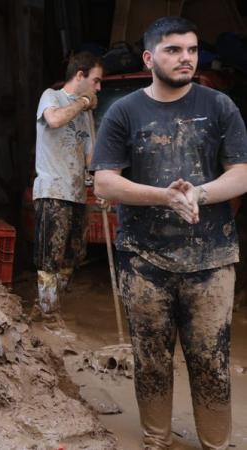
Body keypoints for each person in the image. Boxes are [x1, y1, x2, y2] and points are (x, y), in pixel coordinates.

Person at [92, 16, 247, 450]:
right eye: (174, 50)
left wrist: (198, 191)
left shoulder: (220, 106)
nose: (186, 59)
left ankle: (215, 443)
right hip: (144, 260)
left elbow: (242, 174)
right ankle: (155, 440)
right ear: (149, 57)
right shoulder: (124, 112)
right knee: (151, 360)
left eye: (192, 50)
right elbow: (105, 182)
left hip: (212, 260)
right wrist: (164, 196)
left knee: (211, 361)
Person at [32, 51, 103, 326]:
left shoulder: (86, 116)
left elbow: (89, 157)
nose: (98, 88)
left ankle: (50, 306)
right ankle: (49, 317)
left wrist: (100, 184)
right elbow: (55, 120)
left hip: (76, 193)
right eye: (96, 81)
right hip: (52, 190)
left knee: (73, 257)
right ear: (80, 75)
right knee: (49, 257)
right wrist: (83, 102)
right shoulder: (52, 97)